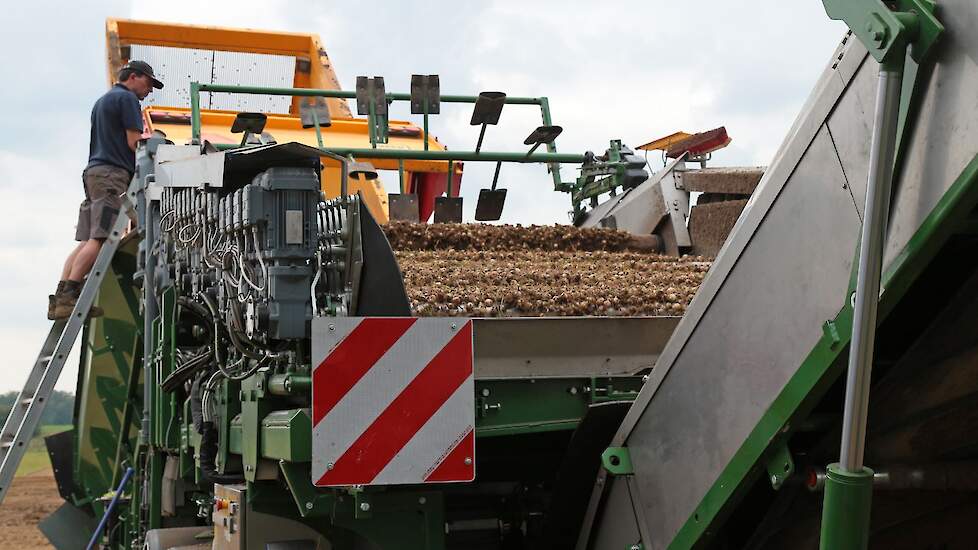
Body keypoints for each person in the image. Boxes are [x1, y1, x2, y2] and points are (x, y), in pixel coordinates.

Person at [49, 61, 163, 320]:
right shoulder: (128, 100)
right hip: (111, 175)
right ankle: (69, 296)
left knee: (88, 240)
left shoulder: (103, 101)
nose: (149, 91)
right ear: (133, 77)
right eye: (148, 83)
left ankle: (60, 298)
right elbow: (134, 143)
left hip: (95, 173)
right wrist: (159, 143)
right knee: (100, 241)